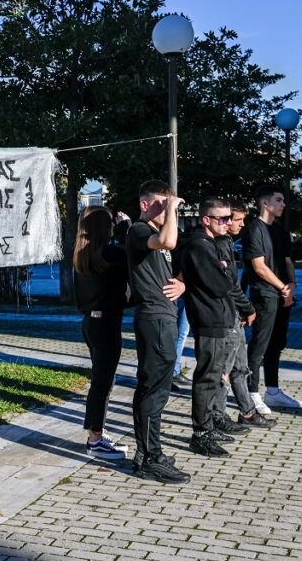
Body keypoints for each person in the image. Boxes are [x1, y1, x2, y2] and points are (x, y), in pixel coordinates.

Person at [126, 180, 190, 483]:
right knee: (154, 391)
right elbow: (168, 243)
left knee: (156, 389)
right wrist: (171, 209)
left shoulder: (154, 234)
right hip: (153, 319)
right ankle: (152, 457)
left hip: (163, 317)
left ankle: (147, 452)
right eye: (161, 204)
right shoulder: (140, 231)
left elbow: (173, 260)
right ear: (144, 205)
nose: (167, 209)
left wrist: (182, 283)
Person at [178, 198, 245, 457]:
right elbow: (222, 286)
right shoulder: (200, 246)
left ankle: (208, 425)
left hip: (217, 315)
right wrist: (224, 271)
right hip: (208, 318)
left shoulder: (212, 243)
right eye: (223, 219)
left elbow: (224, 279)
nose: (228, 223)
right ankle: (201, 433)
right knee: (207, 377)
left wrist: (224, 270)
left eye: (230, 218)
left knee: (213, 374)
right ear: (206, 220)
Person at [73, 206, 131, 460]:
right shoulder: (110, 254)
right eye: (109, 223)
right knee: (102, 383)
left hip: (91, 322)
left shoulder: (83, 254)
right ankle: (95, 439)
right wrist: (127, 229)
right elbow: (137, 259)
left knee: (101, 381)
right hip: (106, 325)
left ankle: (96, 433)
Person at [214, 204, 276, 429]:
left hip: (234, 311)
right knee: (225, 369)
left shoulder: (228, 242)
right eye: (238, 219)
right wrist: (247, 308)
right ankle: (218, 416)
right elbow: (228, 284)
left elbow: (236, 281)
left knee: (241, 366)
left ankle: (247, 412)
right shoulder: (219, 243)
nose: (242, 224)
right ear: (226, 220)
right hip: (226, 314)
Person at [242, 185, 302, 411]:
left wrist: (292, 286)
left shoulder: (280, 230)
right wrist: (282, 288)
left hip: (283, 295)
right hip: (265, 295)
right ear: (265, 203)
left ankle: (273, 392)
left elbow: (287, 261)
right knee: (260, 344)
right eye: (279, 200)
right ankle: (251, 393)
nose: (283, 204)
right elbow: (259, 267)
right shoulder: (253, 230)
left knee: (277, 344)